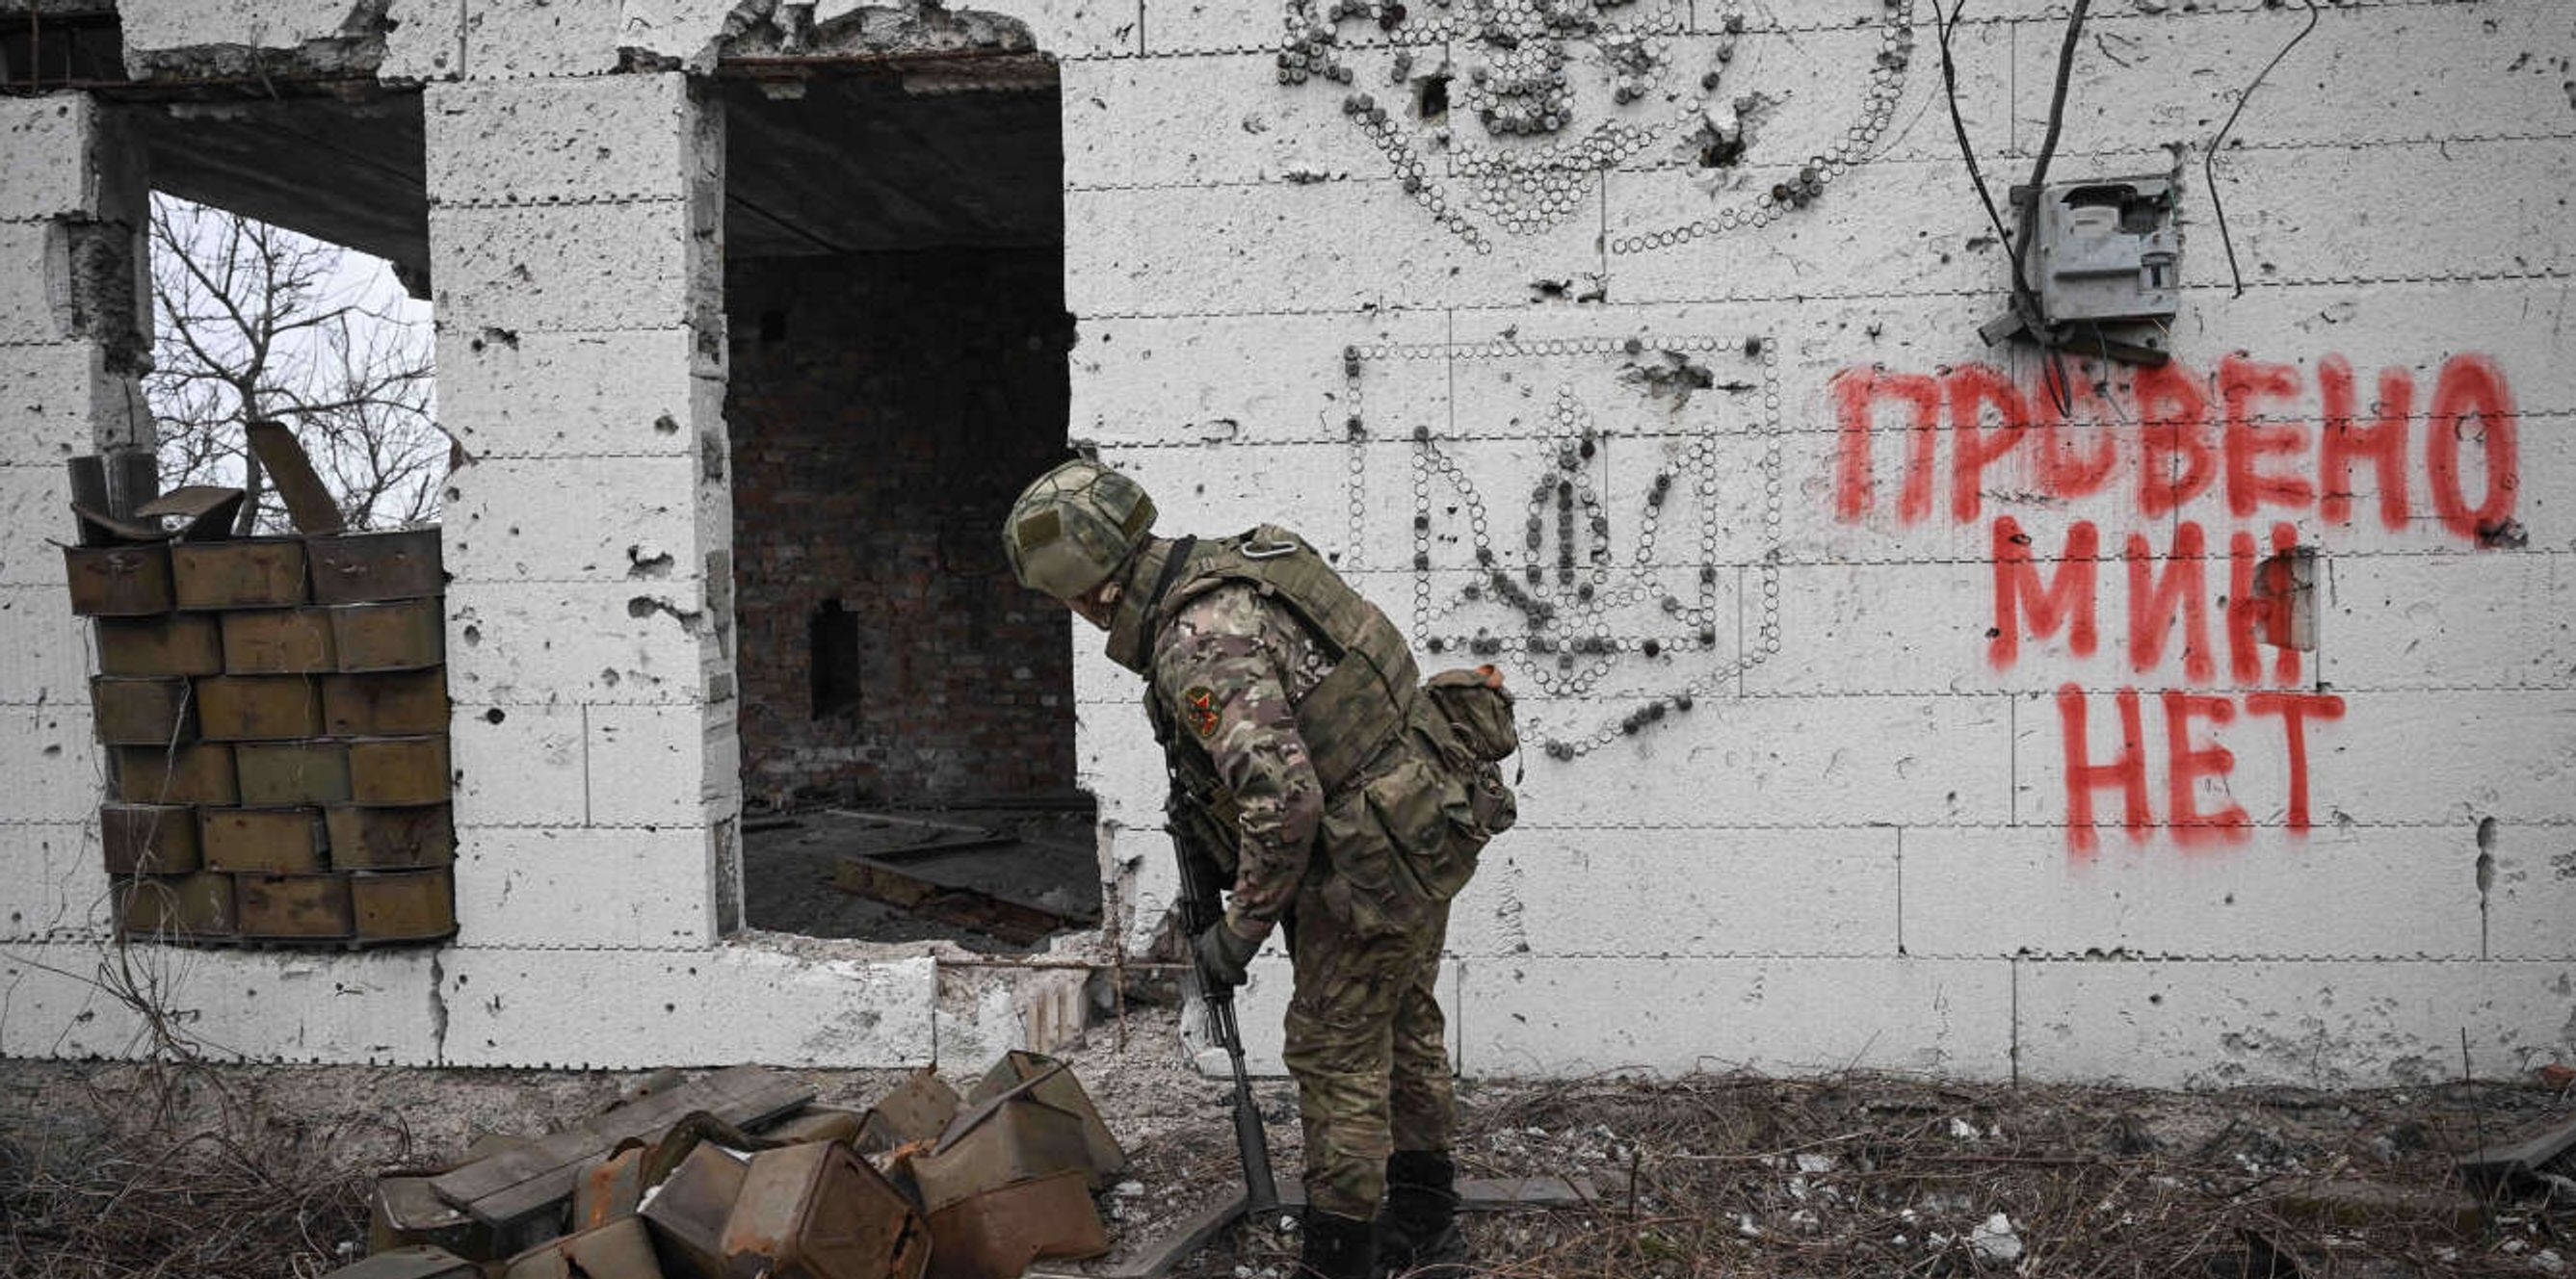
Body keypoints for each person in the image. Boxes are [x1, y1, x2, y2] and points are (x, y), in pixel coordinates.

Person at [1003, 457, 1505, 1279]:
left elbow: (1285, 802)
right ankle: (1425, 1222)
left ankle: (1343, 1257)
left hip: (1367, 865)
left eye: (1067, 600)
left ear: (1092, 591)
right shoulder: (1255, 556)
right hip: (1423, 820)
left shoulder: (1199, 642)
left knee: (1334, 1052)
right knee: (1405, 1025)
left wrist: (1240, 932)